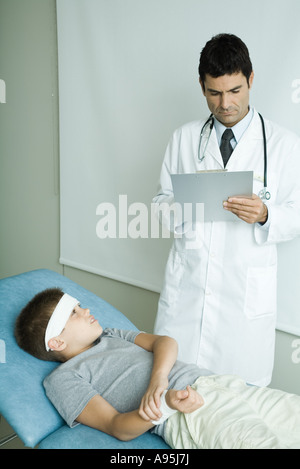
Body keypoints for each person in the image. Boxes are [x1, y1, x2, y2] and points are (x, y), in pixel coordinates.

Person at [153, 33, 300, 386]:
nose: (225, 104)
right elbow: (160, 204)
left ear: (250, 79)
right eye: (214, 93)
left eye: (235, 91)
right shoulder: (184, 139)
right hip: (186, 299)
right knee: (174, 396)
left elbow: (296, 214)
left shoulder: (284, 145)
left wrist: (266, 215)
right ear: (201, 86)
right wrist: (185, 207)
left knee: (235, 411)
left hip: (243, 307)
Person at [14, 288, 300, 449]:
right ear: (57, 341)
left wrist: (158, 379)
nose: (87, 311)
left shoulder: (110, 334)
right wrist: (164, 403)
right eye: (74, 313)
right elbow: (117, 427)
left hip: (220, 384)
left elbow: (165, 342)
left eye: (80, 305)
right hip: (189, 413)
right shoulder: (64, 379)